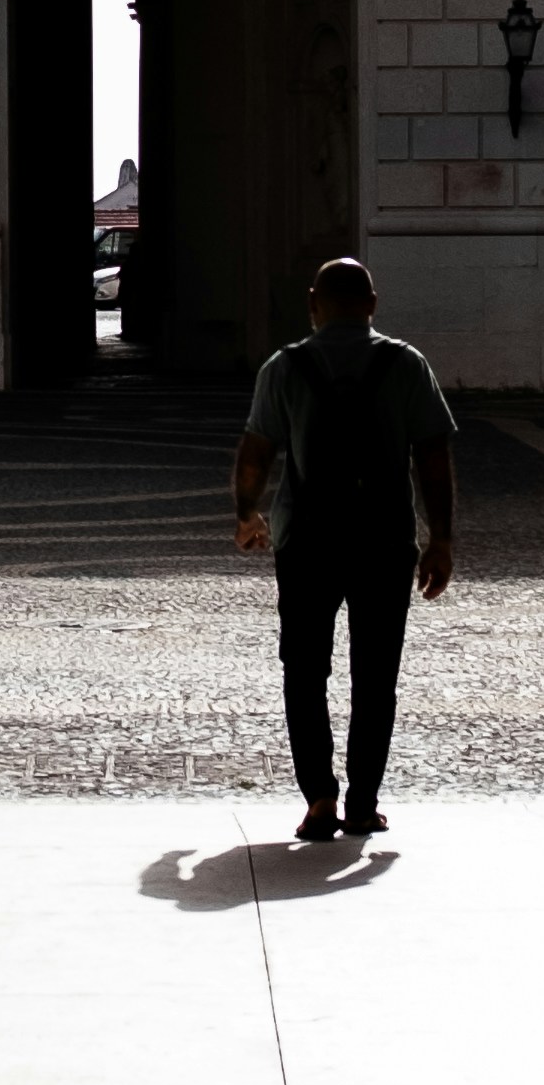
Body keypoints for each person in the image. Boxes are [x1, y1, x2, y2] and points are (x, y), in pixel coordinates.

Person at [232, 255, 458, 842]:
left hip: (305, 541)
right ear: (373, 303)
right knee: (376, 674)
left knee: (304, 671)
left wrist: (246, 512)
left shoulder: (284, 368)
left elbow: (257, 450)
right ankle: (362, 803)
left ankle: (318, 800)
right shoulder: (406, 365)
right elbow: (433, 456)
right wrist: (442, 539)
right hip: (384, 541)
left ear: (313, 301)